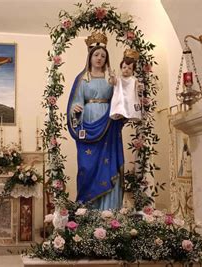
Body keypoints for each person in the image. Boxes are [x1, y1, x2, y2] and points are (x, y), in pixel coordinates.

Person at [67, 32, 125, 210]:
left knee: (109, 164)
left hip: (108, 126)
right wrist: (74, 110)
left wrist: (121, 86)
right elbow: (76, 101)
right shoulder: (82, 78)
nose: (99, 58)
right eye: (96, 55)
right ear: (90, 56)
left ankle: (109, 211)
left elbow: (121, 100)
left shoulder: (111, 78)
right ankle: (88, 211)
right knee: (87, 167)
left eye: (103, 56)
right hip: (88, 123)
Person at [110, 49, 142, 121]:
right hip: (120, 96)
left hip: (130, 97)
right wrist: (112, 77)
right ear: (121, 68)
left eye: (129, 68)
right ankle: (118, 112)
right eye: (124, 67)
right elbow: (113, 82)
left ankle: (132, 114)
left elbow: (138, 86)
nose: (126, 69)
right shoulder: (118, 79)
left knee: (130, 103)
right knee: (120, 102)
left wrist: (139, 87)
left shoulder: (133, 80)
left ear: (133, 71)